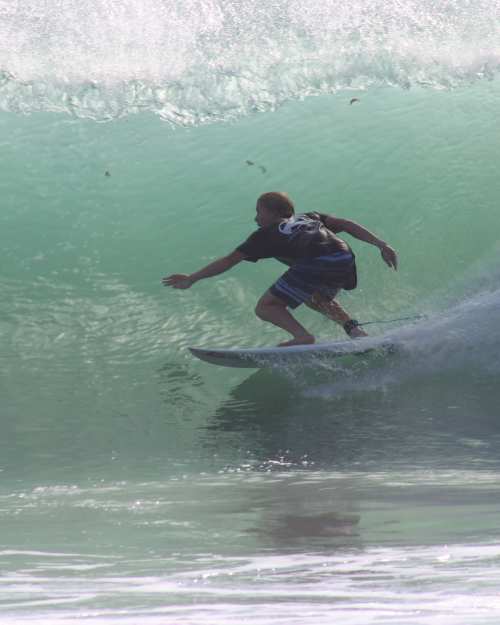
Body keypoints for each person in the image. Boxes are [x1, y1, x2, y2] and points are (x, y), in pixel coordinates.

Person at [163, 192, 398, 346]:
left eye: (259, 211)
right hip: (343, 256)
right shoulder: (309, 217)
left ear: (274, 214)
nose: (255, 217)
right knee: (316, 298)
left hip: (316, 260)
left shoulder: (265, 234)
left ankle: (302, 337)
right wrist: (381, 244)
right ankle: (355, 331)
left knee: (266, 307)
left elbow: (228, 261)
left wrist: (192, 278)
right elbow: (346, 224)